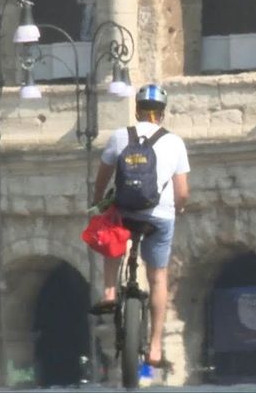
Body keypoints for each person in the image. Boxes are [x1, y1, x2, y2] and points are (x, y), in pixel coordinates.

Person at [90, 84, 191, 369]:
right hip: (160, 216)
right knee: (158, 277)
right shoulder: (175, 142)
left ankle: (110, 291)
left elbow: (102, 179)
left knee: (112, 237)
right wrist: (179, 206)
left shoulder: (120, 136)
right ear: (162, 114)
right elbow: (182, 191)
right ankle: (156, 347)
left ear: (136, 110)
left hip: (125, 211)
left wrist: (99, 202)